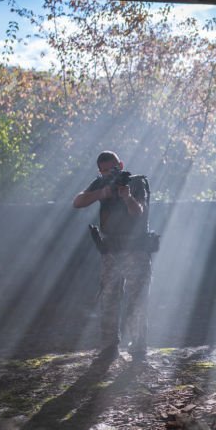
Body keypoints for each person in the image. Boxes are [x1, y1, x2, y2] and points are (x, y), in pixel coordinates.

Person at [73, 151, 153, 362]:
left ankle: (138, 347)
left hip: (135, 250)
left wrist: (126, 197)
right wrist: (102, 193)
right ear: (100, 171)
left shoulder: (135, 183)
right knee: (108, 299)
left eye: (114, 168)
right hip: (111, 252)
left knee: (137, 300)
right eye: (105, 170)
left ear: (121, 164)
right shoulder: (101, 183)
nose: (111, 173)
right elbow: (78, 202)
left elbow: (138, 212)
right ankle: (109, 346)